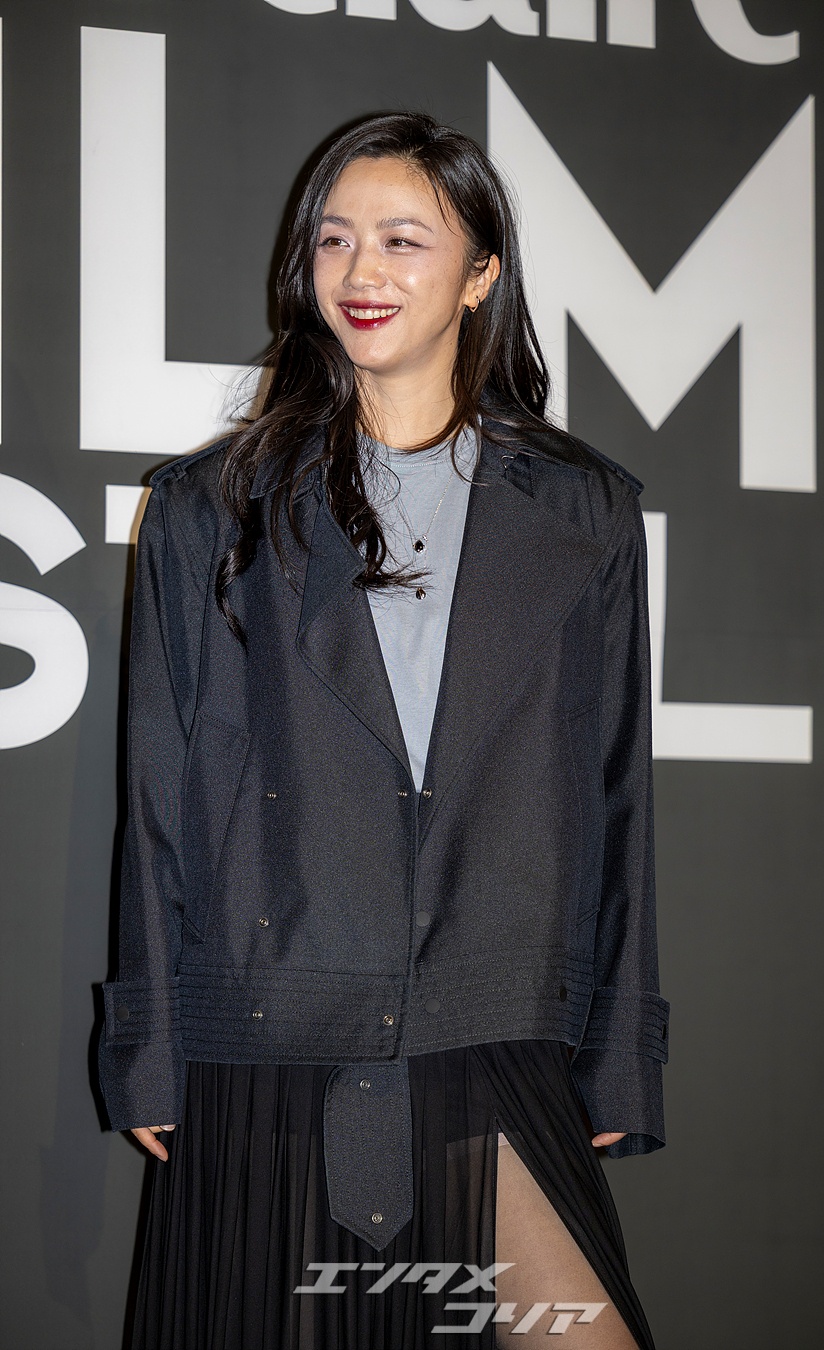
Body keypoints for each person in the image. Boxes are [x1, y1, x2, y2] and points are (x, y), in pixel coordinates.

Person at [98, 112, 670, 1349]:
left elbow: (616, 792)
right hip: (270, 1024)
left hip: (492, 1016)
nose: (361, 271)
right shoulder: (210, 507)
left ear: (480, 273)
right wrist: (149, 1040)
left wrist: (620, 1047)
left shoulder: (586, 511)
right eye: (335, 240)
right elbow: (156, 797)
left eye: (404, 240)